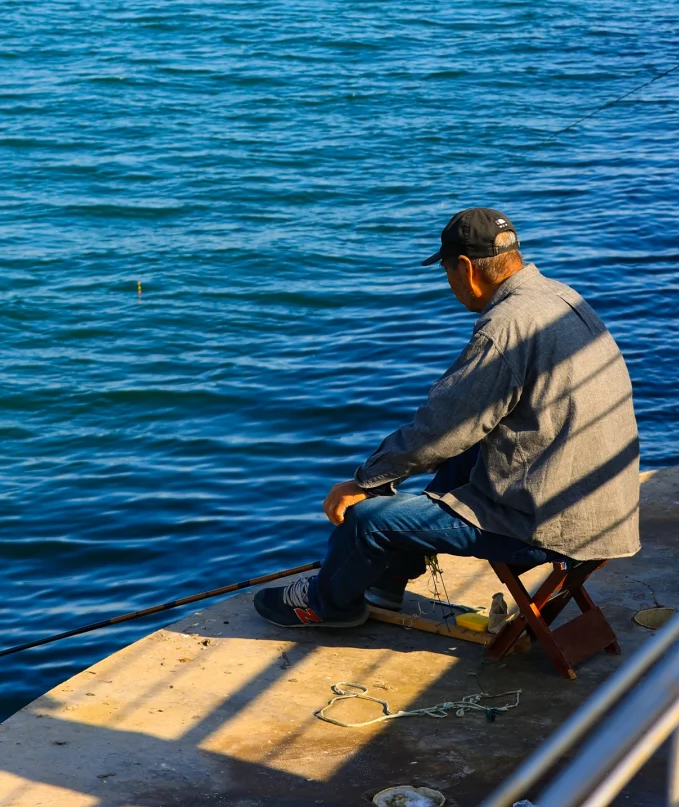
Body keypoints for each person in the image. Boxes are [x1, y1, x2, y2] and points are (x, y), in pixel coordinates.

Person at [254, 207, 641, 629]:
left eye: (446, 270)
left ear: (464, 267)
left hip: (549, 525)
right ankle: (387, 578)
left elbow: (441, 428)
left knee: (366, 521)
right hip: (606, 508)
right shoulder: (561, 298)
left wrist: (364, 482)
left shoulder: (505, 326)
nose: (449, 283)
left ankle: (328, 605)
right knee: (464, 456)